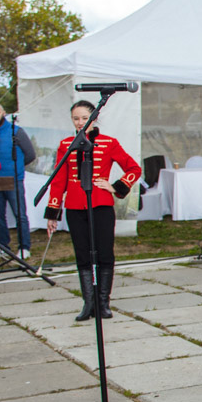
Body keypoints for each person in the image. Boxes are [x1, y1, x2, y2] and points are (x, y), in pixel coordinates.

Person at [45, 101, 141, 322]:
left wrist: (115, 186)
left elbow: (134, 168)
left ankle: (103, 302)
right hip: (74, 207)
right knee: (82, 255)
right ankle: (88, 303)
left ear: (94, 118)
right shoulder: (65, 144)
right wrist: (53, 213)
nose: (80, 123)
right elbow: (58, 181)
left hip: (101, 206)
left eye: (84, 118)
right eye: (76, 119)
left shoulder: (108, 143)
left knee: (105, 254)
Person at [0, 102, 36, 259]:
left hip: (14, 179)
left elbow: (30, 154)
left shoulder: (16, 131)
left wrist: (17, 167)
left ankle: (24, 247)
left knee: (20, 214)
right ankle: (2, 246)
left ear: (3, 113)